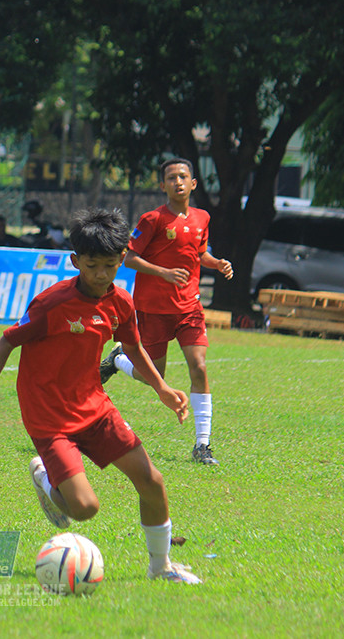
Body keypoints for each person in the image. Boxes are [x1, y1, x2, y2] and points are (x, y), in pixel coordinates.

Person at [0, 208, 202, 584]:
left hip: (94, 407)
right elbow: (5, 343)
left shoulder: (121, 302)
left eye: (109, 266)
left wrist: (162, 388)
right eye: (92, 265)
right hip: (49, 416)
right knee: (84, 509)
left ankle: (161, 567)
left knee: (152, 481)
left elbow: (134, 347)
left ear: (122, 259)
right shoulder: (51, 304)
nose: (100, 274)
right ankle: (46, 477)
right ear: (76, 261)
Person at [99, 158, 234, 466]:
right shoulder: (152, 219)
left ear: (194, 183)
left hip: (189, 307)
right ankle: (118, 361)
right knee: (154, 376)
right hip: (153, 309)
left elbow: (198, 253)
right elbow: (127, 258)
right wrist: (162, 273)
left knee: (198, 367)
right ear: (162, 186)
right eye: (171, 178)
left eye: (183, 176)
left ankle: (202, 444)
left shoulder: (202, 217)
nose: (178, 182)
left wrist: (217, 263)